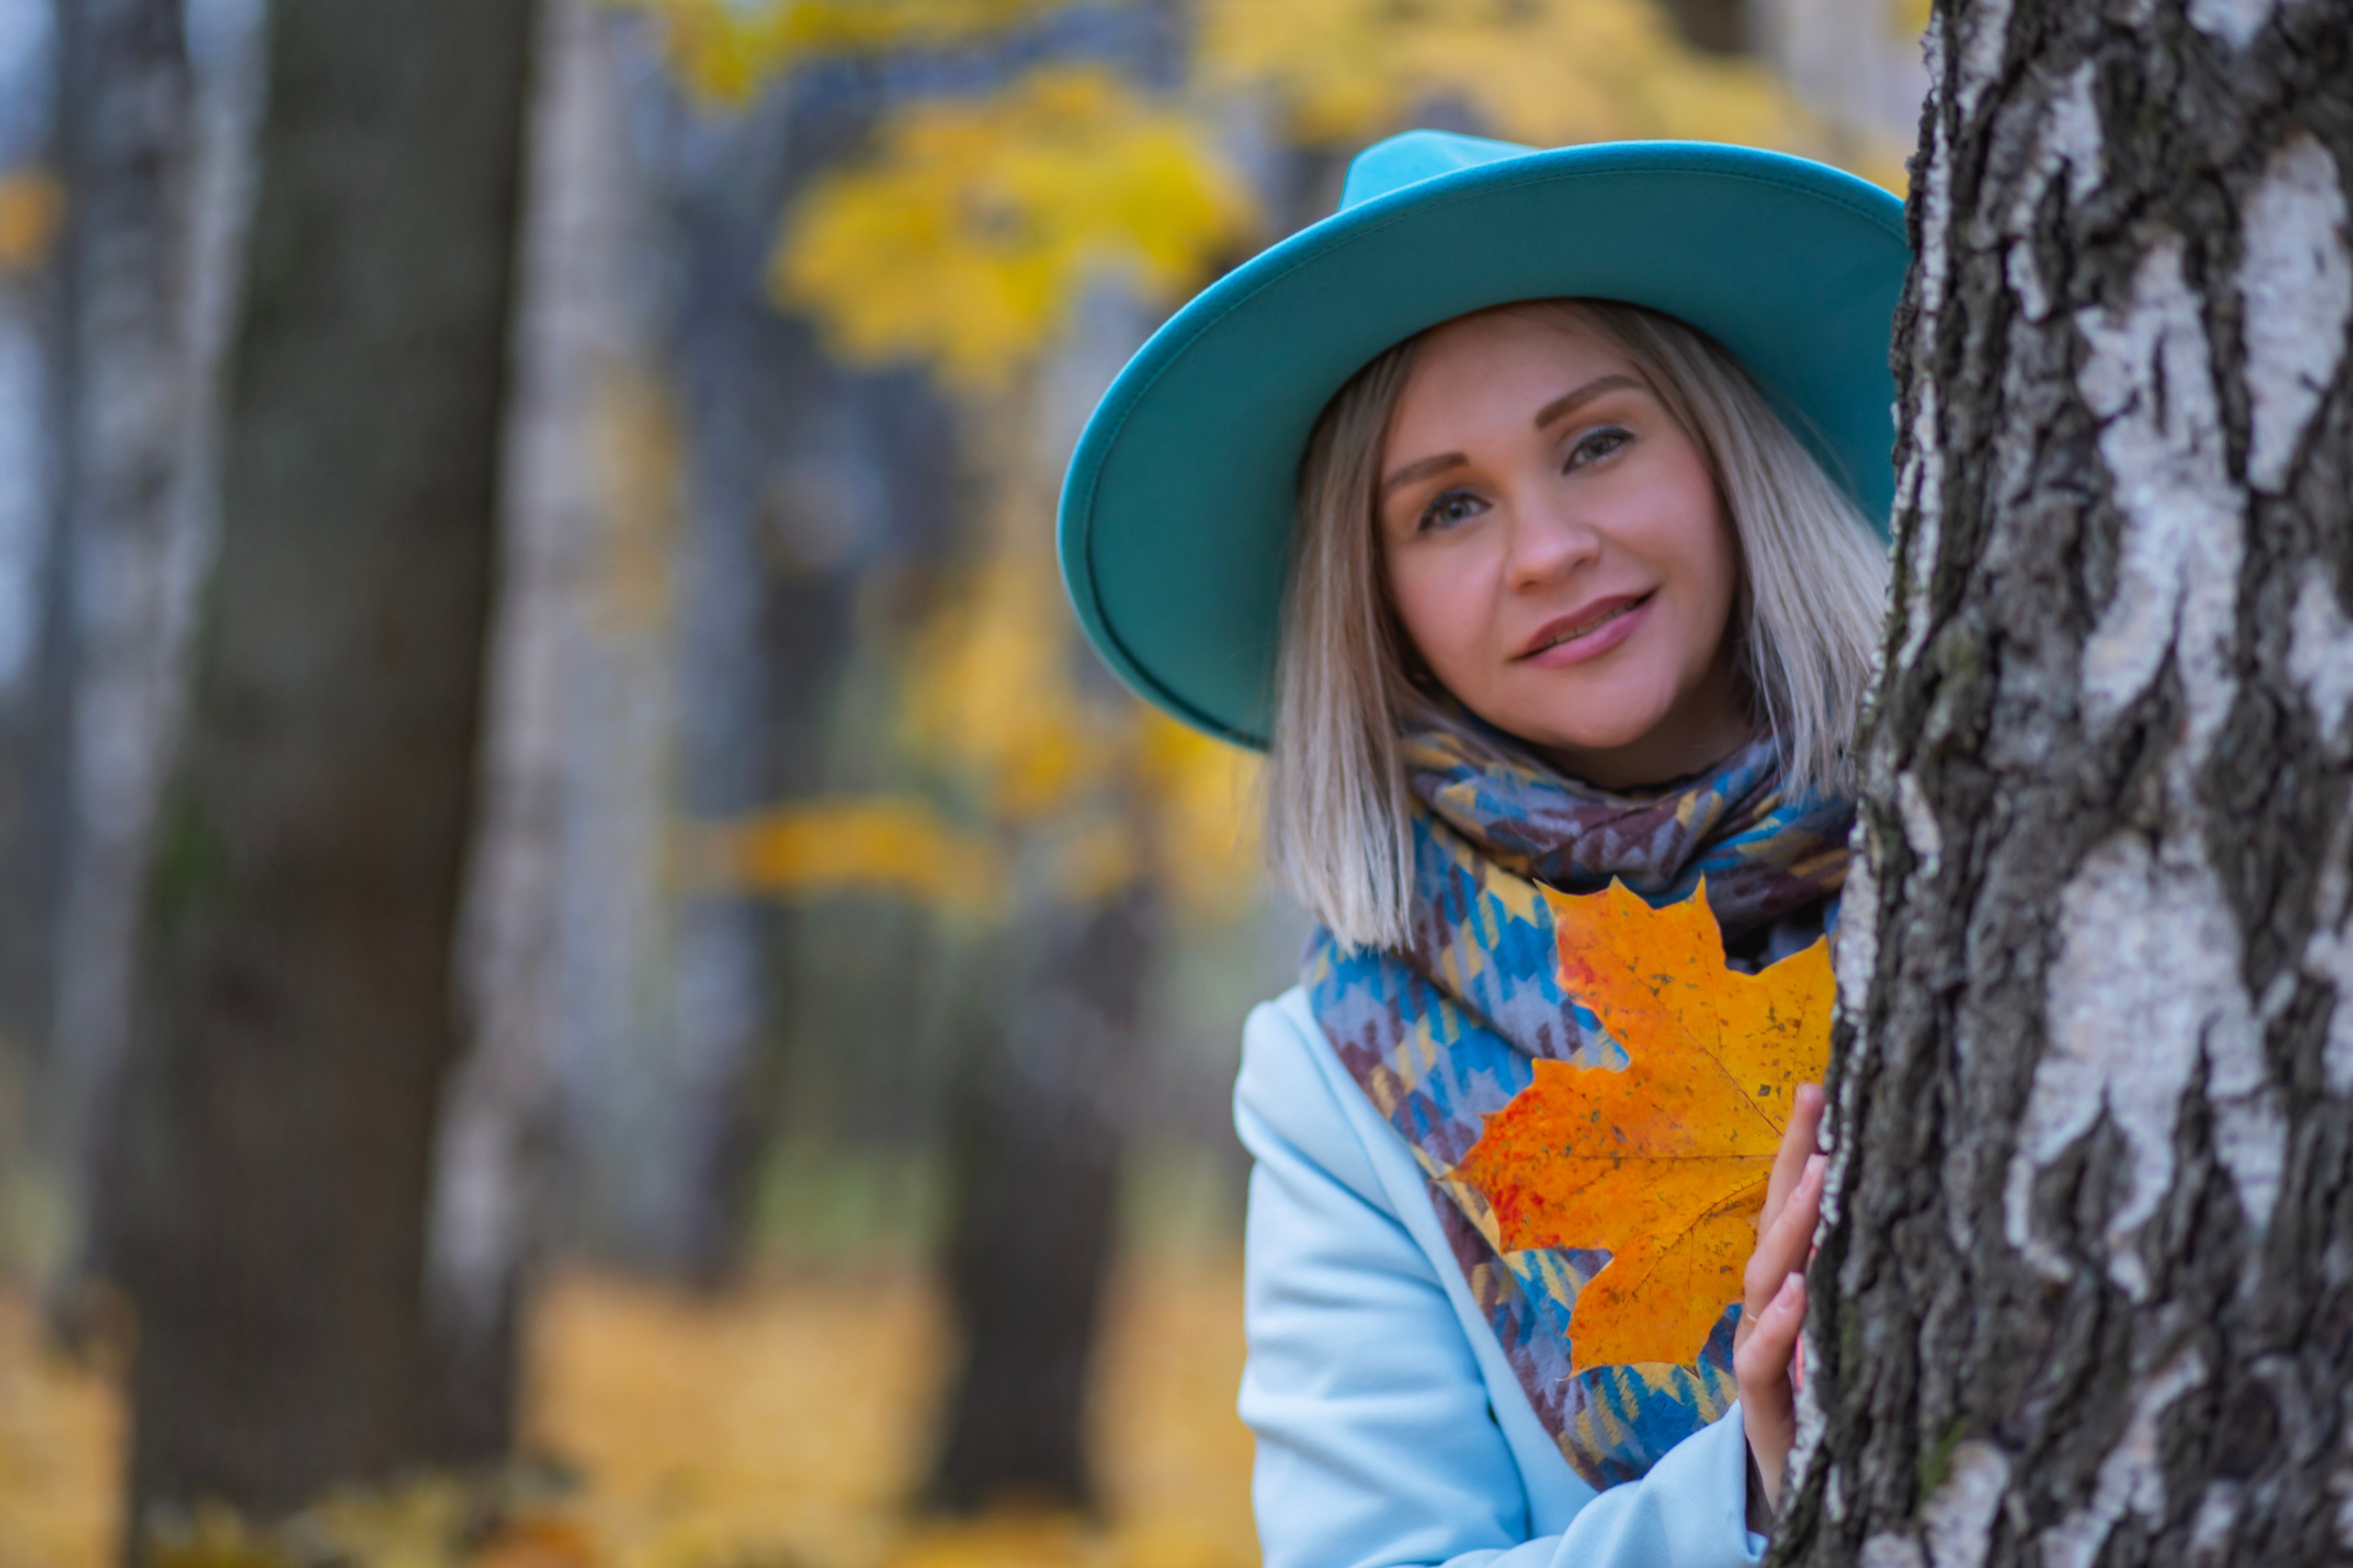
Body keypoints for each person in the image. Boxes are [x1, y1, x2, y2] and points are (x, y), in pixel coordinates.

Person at [1059, 131, 1905, 1567]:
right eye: (1449, 507)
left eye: (1596, 442)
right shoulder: (1351, 1072)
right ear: (1374, 604)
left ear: (1723, 452)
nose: (1547, 548)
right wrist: (1751, 1492)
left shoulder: (1981, 836)